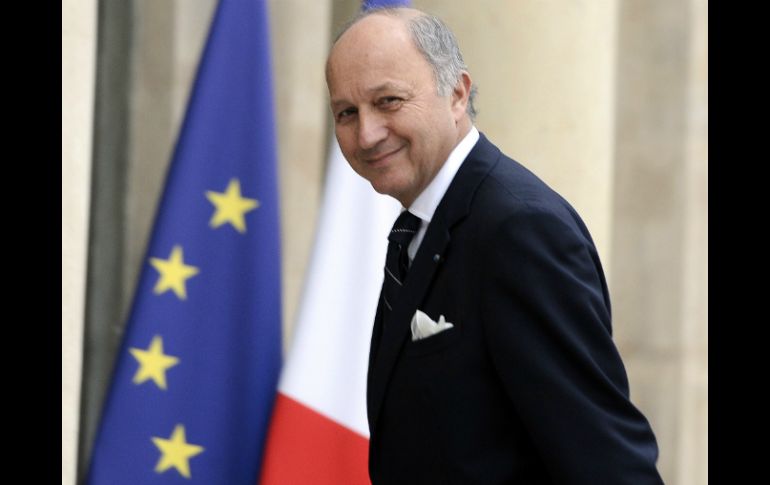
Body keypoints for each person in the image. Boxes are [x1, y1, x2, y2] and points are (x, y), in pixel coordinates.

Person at [326, 7, 664, 484]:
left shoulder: (520, 230)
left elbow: (608, 463)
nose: (366, 134)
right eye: (347, 112)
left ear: (457, 94)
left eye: (389, 101)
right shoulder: (419, 224)